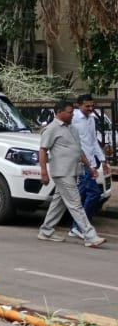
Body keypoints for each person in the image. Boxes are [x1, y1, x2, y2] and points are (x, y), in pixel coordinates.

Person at [37, 100, 105, 247]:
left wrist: (90, 166)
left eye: (72, 112)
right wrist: (43, 171)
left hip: (73, 170)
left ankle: (46, 230)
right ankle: (90, 236)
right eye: (69, 112)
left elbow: (78, 150)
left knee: (59, 202)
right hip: (62, 172)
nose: (72, 114)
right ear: (59, 112)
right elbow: (42, 150)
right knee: (75, 203)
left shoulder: (72, 128)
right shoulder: (51, 129)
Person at [70, 94, 108, 239]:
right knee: (94, 193)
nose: (91, 109)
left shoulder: (91, 119)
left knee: (81, 195)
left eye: (92, 106)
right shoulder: (73, 119)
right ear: (79, 105)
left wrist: (103, 160)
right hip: (80, 162)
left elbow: (93, 142)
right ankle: (81, 226)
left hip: (90, 162)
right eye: (87, 106)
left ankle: (76, 226)